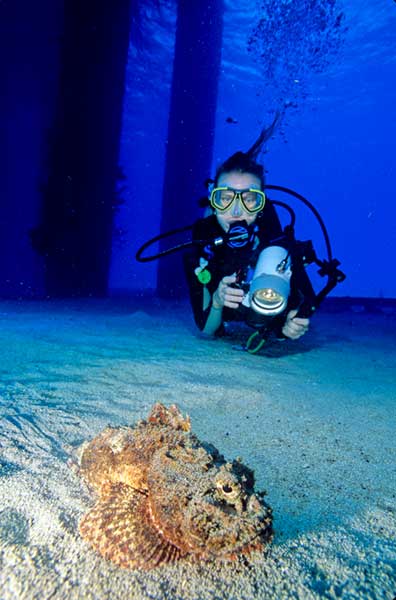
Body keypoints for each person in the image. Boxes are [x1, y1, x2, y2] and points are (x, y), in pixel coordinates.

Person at [184, 121, 311, 341]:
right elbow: (207, 329)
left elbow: (305, 298)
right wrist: (216, 300)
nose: (235, 211)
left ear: (261, 205)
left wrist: (290, 323)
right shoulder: (204, 238)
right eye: (224, 198)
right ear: (214, 200)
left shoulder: (274, 242)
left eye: (249, 200)